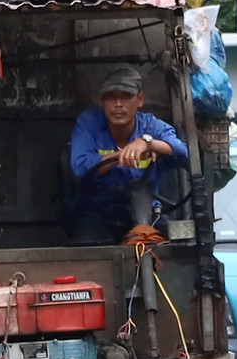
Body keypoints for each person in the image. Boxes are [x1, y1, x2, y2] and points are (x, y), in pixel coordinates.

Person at [67, 66, 189, 244]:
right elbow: (80, 167)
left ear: (139, 100)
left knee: (176, 245)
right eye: (111, 97)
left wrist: (148, 144)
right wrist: (122, 155)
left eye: (125, 96)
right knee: (86, 246)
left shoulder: (151, 127)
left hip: (147, 213)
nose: (118, 104)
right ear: (102, 101)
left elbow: (183, 152)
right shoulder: (89, 123)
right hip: (99, 215)